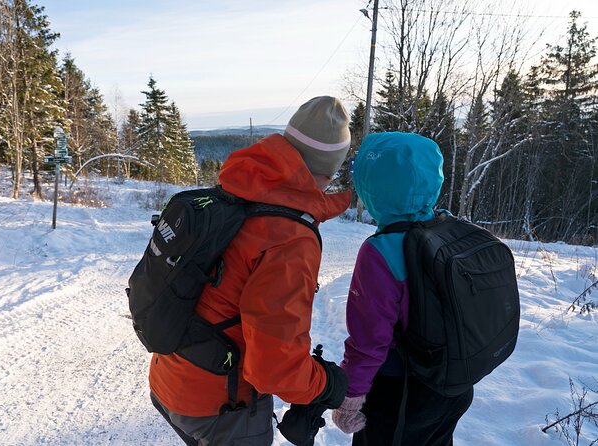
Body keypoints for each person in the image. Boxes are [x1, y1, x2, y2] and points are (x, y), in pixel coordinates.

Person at [148, 96, 352, 445]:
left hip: (170, 378)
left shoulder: (237, 188)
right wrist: (327, 383)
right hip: (220, 407)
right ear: (329, 170)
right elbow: (274, 368)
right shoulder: (289, 238)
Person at [331, 132, 474, 445]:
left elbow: (369, 341)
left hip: (401, 393)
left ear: (373, 187)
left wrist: (351, 397)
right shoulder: (450, 228)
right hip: (452, 387)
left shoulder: (380, 252)